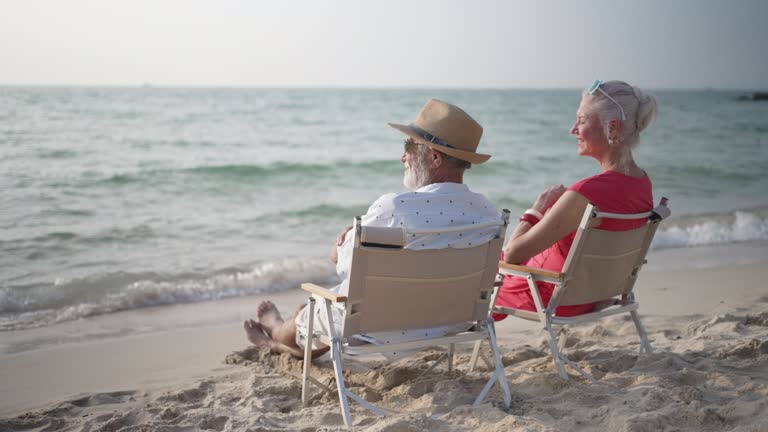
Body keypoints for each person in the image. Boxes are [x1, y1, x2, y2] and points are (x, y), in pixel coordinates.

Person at [244, 99, 500, 358]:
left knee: (310, 312)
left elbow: (345, 267)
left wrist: (340, 243)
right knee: (332, 308)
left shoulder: (394, 207)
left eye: (409, 146)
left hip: (381, 327)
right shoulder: (489, 214)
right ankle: (281, 341)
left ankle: (275, 333)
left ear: (434, 157)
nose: (403, 156)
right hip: (450, 324)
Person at [494, 80, 658, 318]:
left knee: (487, 269)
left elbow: (513, 255)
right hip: (592, 294)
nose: (573, 129)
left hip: (551, 298)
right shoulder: (643, 184)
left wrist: (536, 210)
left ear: (612, 128)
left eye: (581, 121)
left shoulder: (584, 194)